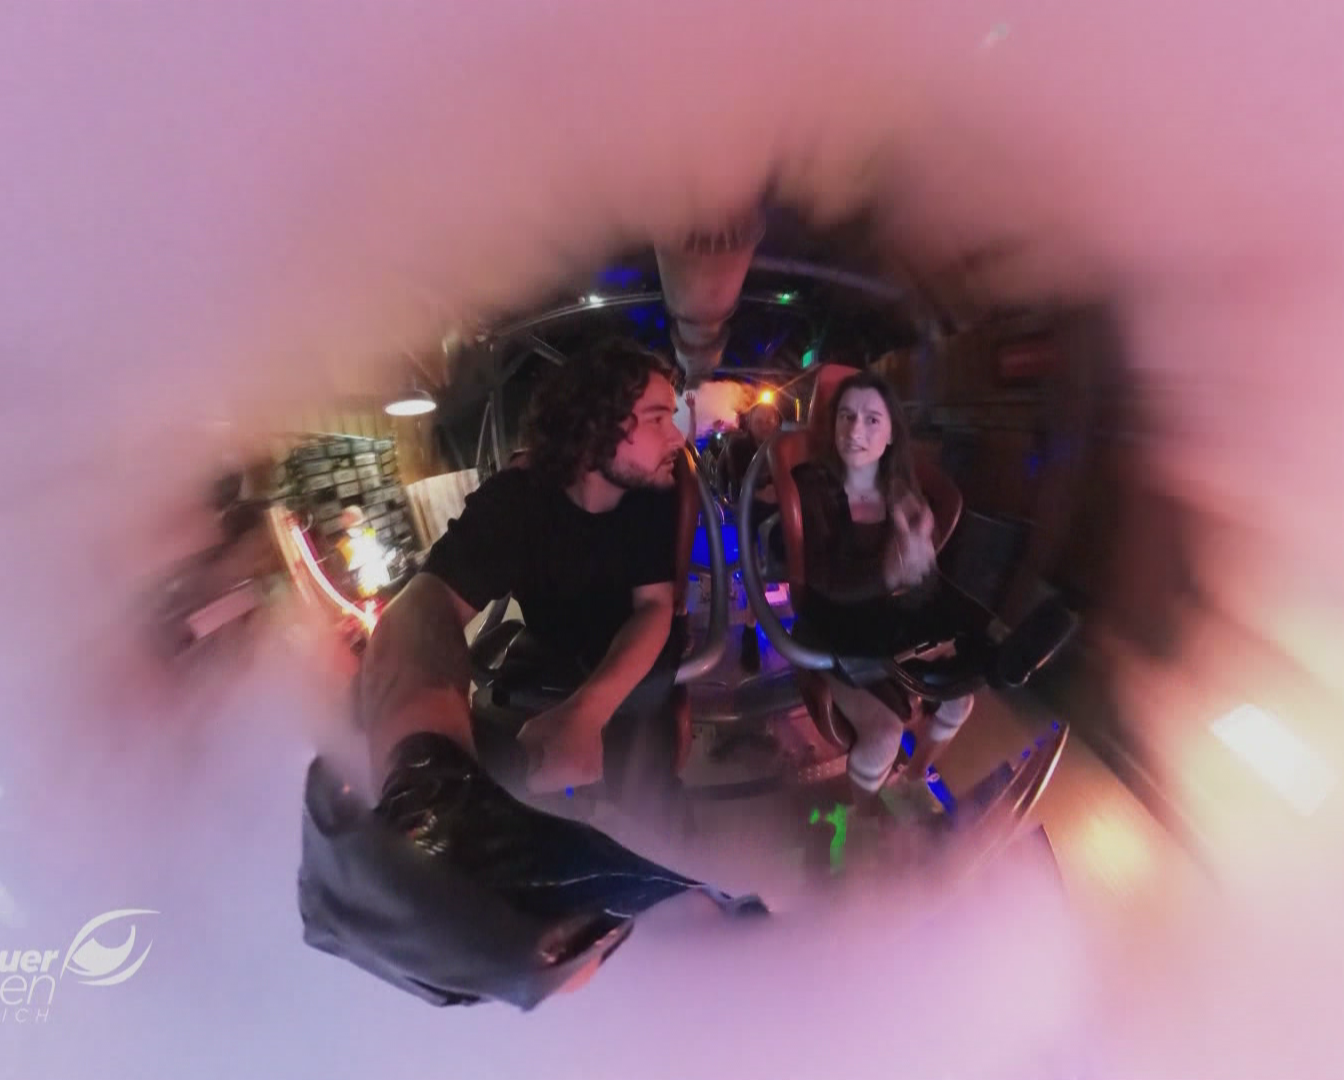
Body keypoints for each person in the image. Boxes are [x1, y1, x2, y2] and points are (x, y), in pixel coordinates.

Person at [297, 340, 765, 1012]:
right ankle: (434, 811)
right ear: (598, 422)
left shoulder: (652, 496)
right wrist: (419, 753)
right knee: (496, 772)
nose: (676, 436)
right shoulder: (517, 501)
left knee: (648, 808)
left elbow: (654, 610)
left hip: (638, 671)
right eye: (658, 417)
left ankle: (693, 958)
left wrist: (586, 713)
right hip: (546, 658)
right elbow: (426, 603)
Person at [790, 371, 984, 803]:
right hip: (834, 630)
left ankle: (915, 777)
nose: (855, 430)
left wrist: (921, 561)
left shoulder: (902, 489)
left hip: (889, 627)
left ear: (892, 432)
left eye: (872, 419)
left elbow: (921, 581)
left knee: (961, 699)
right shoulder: (812, 486)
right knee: (882, 737)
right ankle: (863, 818)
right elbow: (823, 579)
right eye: (846, 416)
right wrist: (889, 573)